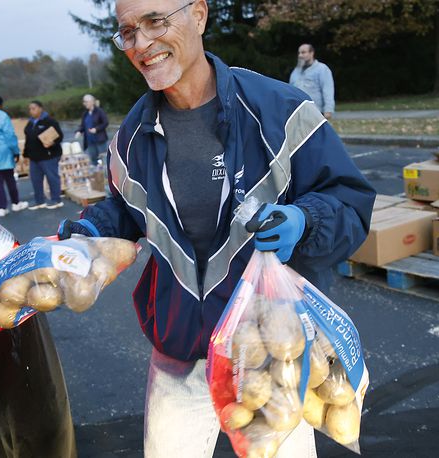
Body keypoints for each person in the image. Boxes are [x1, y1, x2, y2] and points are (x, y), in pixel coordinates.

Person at [56, 1, 375, 457]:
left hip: (271, 351)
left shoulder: (281, 111)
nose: (142, 44)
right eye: (127, 32)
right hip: (179, 355)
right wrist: (85, 235)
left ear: (199, 15)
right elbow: (127, 212)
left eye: (155, 21)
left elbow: (350, 201)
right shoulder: (131, 135)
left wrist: (306, 221)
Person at [23, 100, 65, 210]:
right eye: (30, 109)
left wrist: (52, 143)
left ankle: (56, 200)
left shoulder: (49, 121)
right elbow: (28, 139)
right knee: (35, 179)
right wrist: (26, 155)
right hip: (34, 157)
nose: (31, 111)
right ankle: (39, 201)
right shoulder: (30, 122)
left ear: (40, 108)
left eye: (34, 108)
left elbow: (59, 136)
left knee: (52, 178)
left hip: (49, 156)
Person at [289, 43, 335, 119]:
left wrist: (328, 110)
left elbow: (328, 90)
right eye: (299, 53)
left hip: (316, 113)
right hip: (297, 112)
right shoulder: (295, 71)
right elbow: (290, 91)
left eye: (303, 52)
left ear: (311, 53)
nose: (300, 55)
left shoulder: (322, 69)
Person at [75, 94, 110, 164]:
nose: (84, 104)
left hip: (100, 140)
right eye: (84, 102)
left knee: (103, 160)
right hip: (90, 142)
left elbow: (105, 122)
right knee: (93, 160)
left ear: (92, 102)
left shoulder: (100, 111)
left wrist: (96, 129)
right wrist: (78, 131)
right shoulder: (85, 114)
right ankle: (97, 174)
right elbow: (82, 126)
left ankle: (106, 174)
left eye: (86, 102)